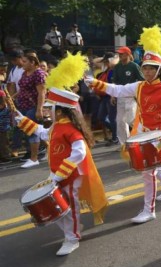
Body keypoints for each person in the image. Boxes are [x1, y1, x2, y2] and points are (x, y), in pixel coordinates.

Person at [86, 28, 161, 223]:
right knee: (150, 167)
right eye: (145, 68)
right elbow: (118, 89)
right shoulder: (139, 86)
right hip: (143, 132)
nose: (148, 71)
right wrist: (96, 83)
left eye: (152, 68)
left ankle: (149, 210)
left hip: (159, 134)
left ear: (159, 70)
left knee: (148, 171)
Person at [16, 87, 108, 256]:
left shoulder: (70, 129)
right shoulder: (56, 126)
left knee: (70, 208)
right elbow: (43, 133)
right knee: (57, 208)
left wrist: (60, 174)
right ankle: (72, 228)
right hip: (58, 175)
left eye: (49, 107)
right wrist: (22, 120)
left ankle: (72, 238)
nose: (46, 110)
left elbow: (79, 152)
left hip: (69, 176)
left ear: (59, 111)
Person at [18, 53, 47, 168]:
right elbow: (23, 89)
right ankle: (50, 148)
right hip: (23, 105)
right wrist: (12, 96)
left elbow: (42, 92)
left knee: (32, 131)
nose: (22, 63)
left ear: (32, 62)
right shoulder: (25, 73)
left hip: (33, 106)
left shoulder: (38, 73)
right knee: (33, 130)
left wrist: (39, 109)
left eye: (24, 61)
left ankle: (34, 158)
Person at [112, 46, 144, 147]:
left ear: (128, 54)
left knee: (131, 120)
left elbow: (142, 80)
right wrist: (113, 96)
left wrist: (139, 94)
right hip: (120, 96)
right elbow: (115, 82)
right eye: (119, 54)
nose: (120, 55)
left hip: (131, 96)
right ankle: (125, 145)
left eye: (122, 54)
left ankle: (143, 138)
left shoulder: (134, 66)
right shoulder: (117, 67)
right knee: (120, 122)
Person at [0, 90, 12, 164]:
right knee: (3, 143)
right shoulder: (6, 109)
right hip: (3, 128)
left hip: (3, 129)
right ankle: (3, 156)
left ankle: (5, 157)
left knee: (3, 143)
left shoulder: (5, 110)